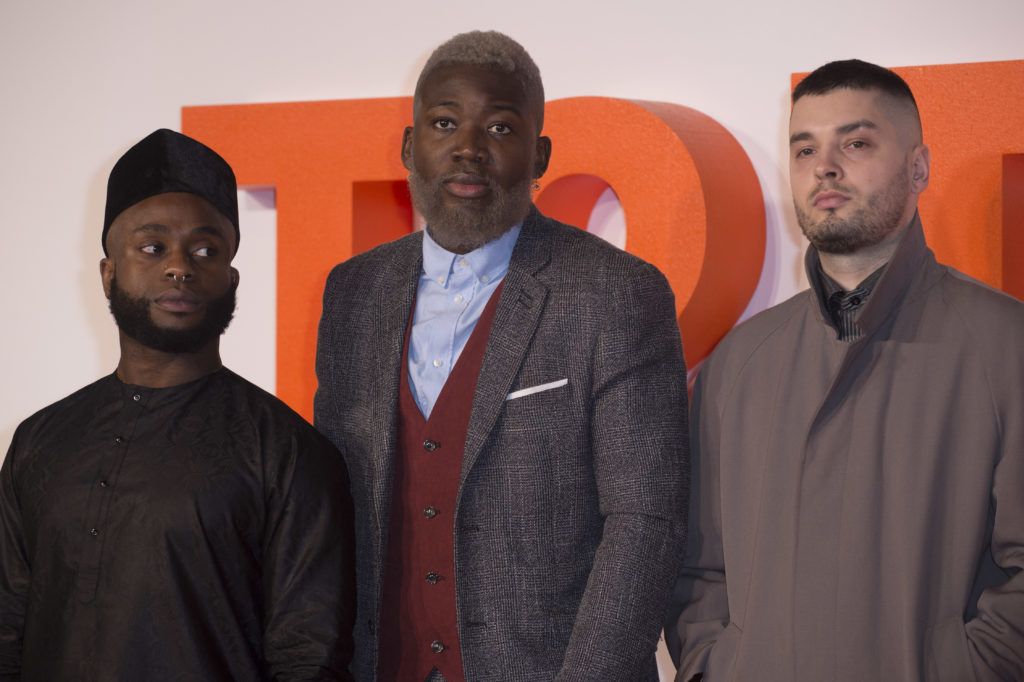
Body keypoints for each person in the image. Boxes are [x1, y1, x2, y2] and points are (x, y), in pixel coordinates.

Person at [315, 30, 688, 681]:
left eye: (500, 127)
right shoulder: (353, 292)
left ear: (539, 154)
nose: (468, 148)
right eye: (443, 123)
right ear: (409, 146)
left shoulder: (616, 293)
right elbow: (331, 509)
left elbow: (645, 523)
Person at [666, 59, 1024, 681]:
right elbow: (697, 569)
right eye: (804, 149)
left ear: (919, 167)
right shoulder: (739, 362)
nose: (824, 168)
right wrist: (718, 667)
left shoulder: (1006, 345)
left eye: (855, 143)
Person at [0, 129, 356, 680]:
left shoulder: (286, 450)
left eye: (205, 250)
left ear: (232, 280)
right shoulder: (39, 440)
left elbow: (309, 657)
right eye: (152, 247)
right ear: (108, 274)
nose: (179, 267)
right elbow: (8, 627)